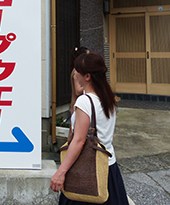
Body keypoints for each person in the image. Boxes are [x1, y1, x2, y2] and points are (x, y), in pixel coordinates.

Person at [50, 52, 129, 205]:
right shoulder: (108, 98)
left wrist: (61, 172)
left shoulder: (85, 102)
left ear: (87, 76)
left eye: (77, 70)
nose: (75, 73)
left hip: (87, 170)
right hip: (108, 166)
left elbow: (79, 141)